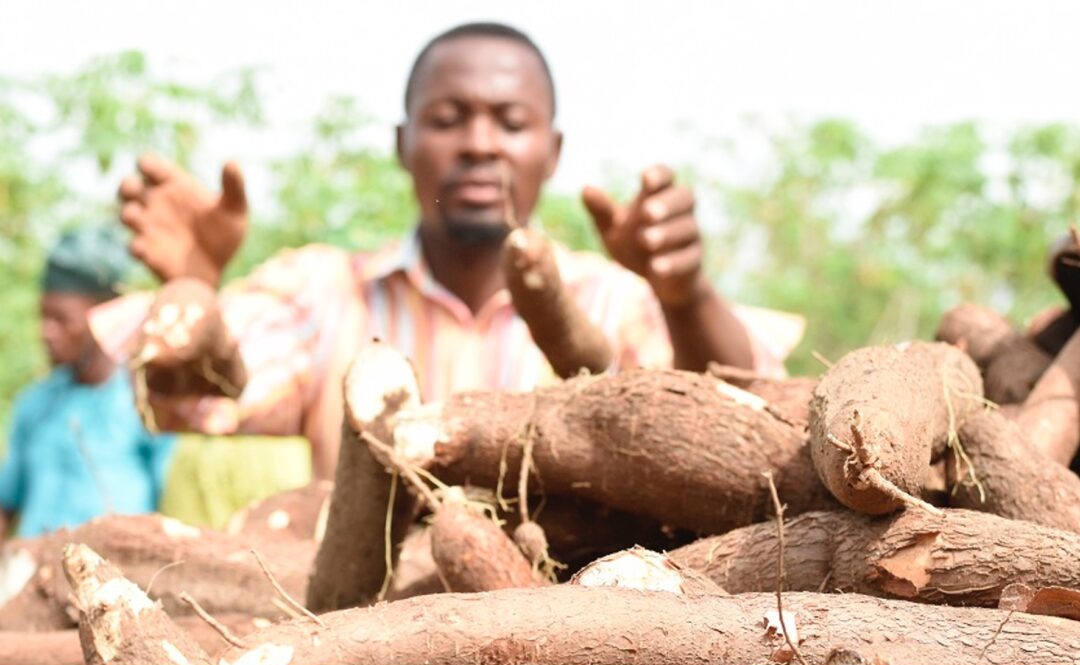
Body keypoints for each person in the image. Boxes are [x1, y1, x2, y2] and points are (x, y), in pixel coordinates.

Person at [91, 22, 804, 480]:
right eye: (448, 118)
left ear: (551, 152)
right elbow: (196, 399)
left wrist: (686, 294)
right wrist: (192, 285)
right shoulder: (326, 291)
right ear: (403, 144)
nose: (480, 143)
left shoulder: (614, 300)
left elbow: (747, 425)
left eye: (510, 121)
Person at [0, 228, 177, 538]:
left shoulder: (145, 402)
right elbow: (6, 504)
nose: (46, 331)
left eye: (61, 319)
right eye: (43, 316)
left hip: (115, 580)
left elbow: (174, 509)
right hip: (31, 575)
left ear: (104, 317)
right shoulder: (35, 402)